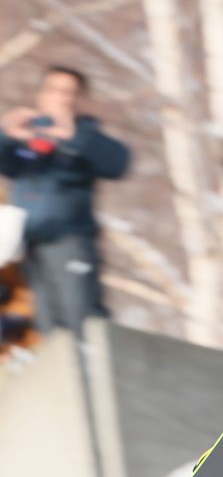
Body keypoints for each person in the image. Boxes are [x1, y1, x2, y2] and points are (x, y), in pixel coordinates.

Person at [0, 66, 130, 335]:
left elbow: (118, 164)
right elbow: (7, 164)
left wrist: (72, 137)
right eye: (54, 90)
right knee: (48, 325)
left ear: (79, 99)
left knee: (80, 316)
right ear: (41, 95)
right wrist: (6, 135)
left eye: (69, 92)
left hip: (70, 241)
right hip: (32, 246)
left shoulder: (86, 135)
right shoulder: (28, 137)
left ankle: (96, 370)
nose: (61, 98)